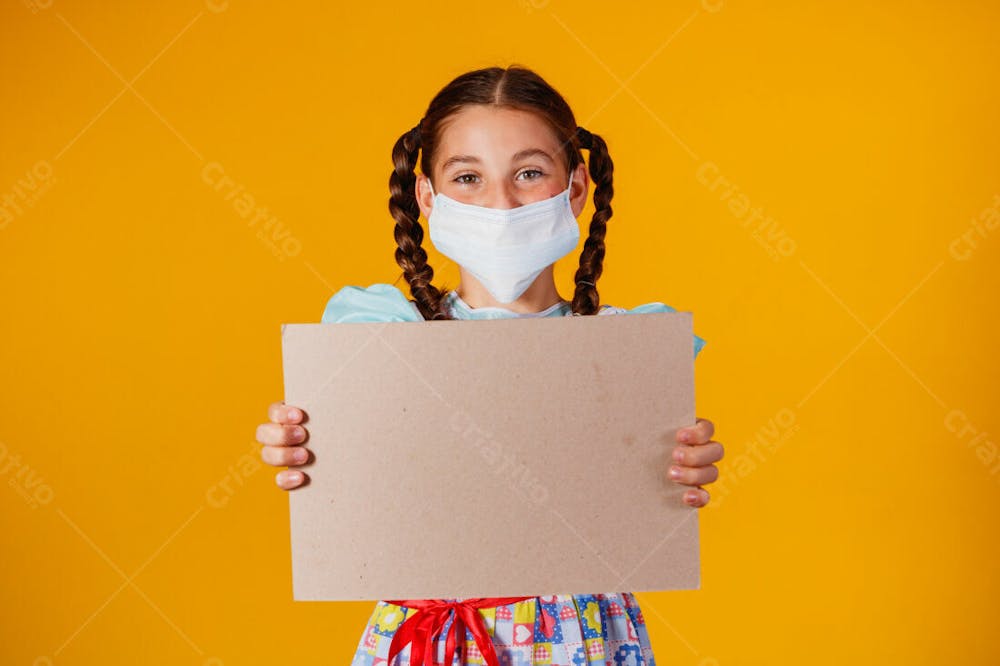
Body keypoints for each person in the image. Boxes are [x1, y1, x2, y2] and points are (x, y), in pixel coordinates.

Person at [255, 65, 725, 666]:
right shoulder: (378, 340)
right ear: (427, 196)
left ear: (576, 188)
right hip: (428, 637)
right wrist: (303, 447)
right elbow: (352, 480)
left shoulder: (624, 351)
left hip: (581, 637)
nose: (501, 202)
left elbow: (642, 489)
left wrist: (676, 466)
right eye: (468, 177)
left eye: (529, 173)